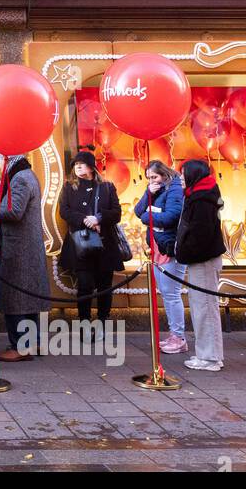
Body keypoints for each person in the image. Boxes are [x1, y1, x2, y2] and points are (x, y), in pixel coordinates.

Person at [0, 154, 50, 361]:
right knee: (27, 298)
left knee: (14, 297)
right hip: (23, 247)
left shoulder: (20, 178)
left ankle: (19, 346)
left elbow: (14, 211)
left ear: (7, 160)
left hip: (18, 248)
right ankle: (32, 343)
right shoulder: (24, 175)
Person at [174, 158, 227, 372]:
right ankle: (206, 353)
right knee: (200, 307)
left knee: (205, 308)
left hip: (203, 259)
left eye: (183, 173)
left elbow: (201, 234)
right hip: (198, 258)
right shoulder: (198, 196)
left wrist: (185, 251)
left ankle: (211, 357)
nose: (180, 178)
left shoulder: (202, 199)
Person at [58, 149, 123, 323]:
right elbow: (64, 211)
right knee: (85, 285)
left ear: (92, 167)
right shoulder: (69, 187)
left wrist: (99, 218)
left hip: (105, 244)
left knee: (104, 285)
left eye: (81, 164)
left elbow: (117, 213)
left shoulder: (107, 187)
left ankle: (103, 320)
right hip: (81, 244)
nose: (77, 168)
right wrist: (84, 219)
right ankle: (84, 323)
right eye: (75, 165)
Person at [132, 160, 188, 353]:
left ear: (164, 174)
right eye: (148, 178)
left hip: (169, 245)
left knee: (172, 294)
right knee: (166, 293)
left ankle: (179, 337)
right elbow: (138, 210)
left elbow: (172, 215)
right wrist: (149, 192)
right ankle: (174, 334)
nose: (152, 181)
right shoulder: (155, 189)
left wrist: (148, 217)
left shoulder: (174, 189)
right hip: (156, 245)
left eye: (154, 177)